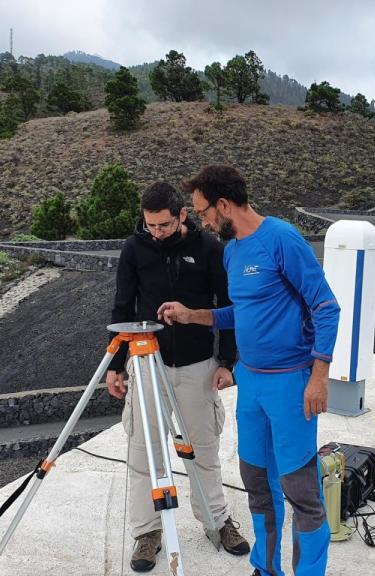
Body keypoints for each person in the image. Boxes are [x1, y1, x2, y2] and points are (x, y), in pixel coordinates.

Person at [157, 166, 340, 576]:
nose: (200, 219)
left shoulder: (281, 238)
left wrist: (319, 374)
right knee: (256, 483)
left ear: (224, 205)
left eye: (203, 211)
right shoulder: (233, 251)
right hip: (252, 383)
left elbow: (325, 306)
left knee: (300, 490)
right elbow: (239, 313)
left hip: (291, 382)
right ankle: (266, 568)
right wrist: (192, 315)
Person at [107, 181, 250, 572]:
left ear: (182, 215)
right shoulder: (134, 248)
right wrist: (116, 366)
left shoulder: (209, 249)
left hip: (198, 365)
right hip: (147, 365)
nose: (156, 232)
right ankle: (147, 533)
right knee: (142, 452)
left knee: (203, 451)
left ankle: (217, 523)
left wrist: (227, 361)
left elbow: (229, 306)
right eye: (150, 225)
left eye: (164, 225)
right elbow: (123, 306)